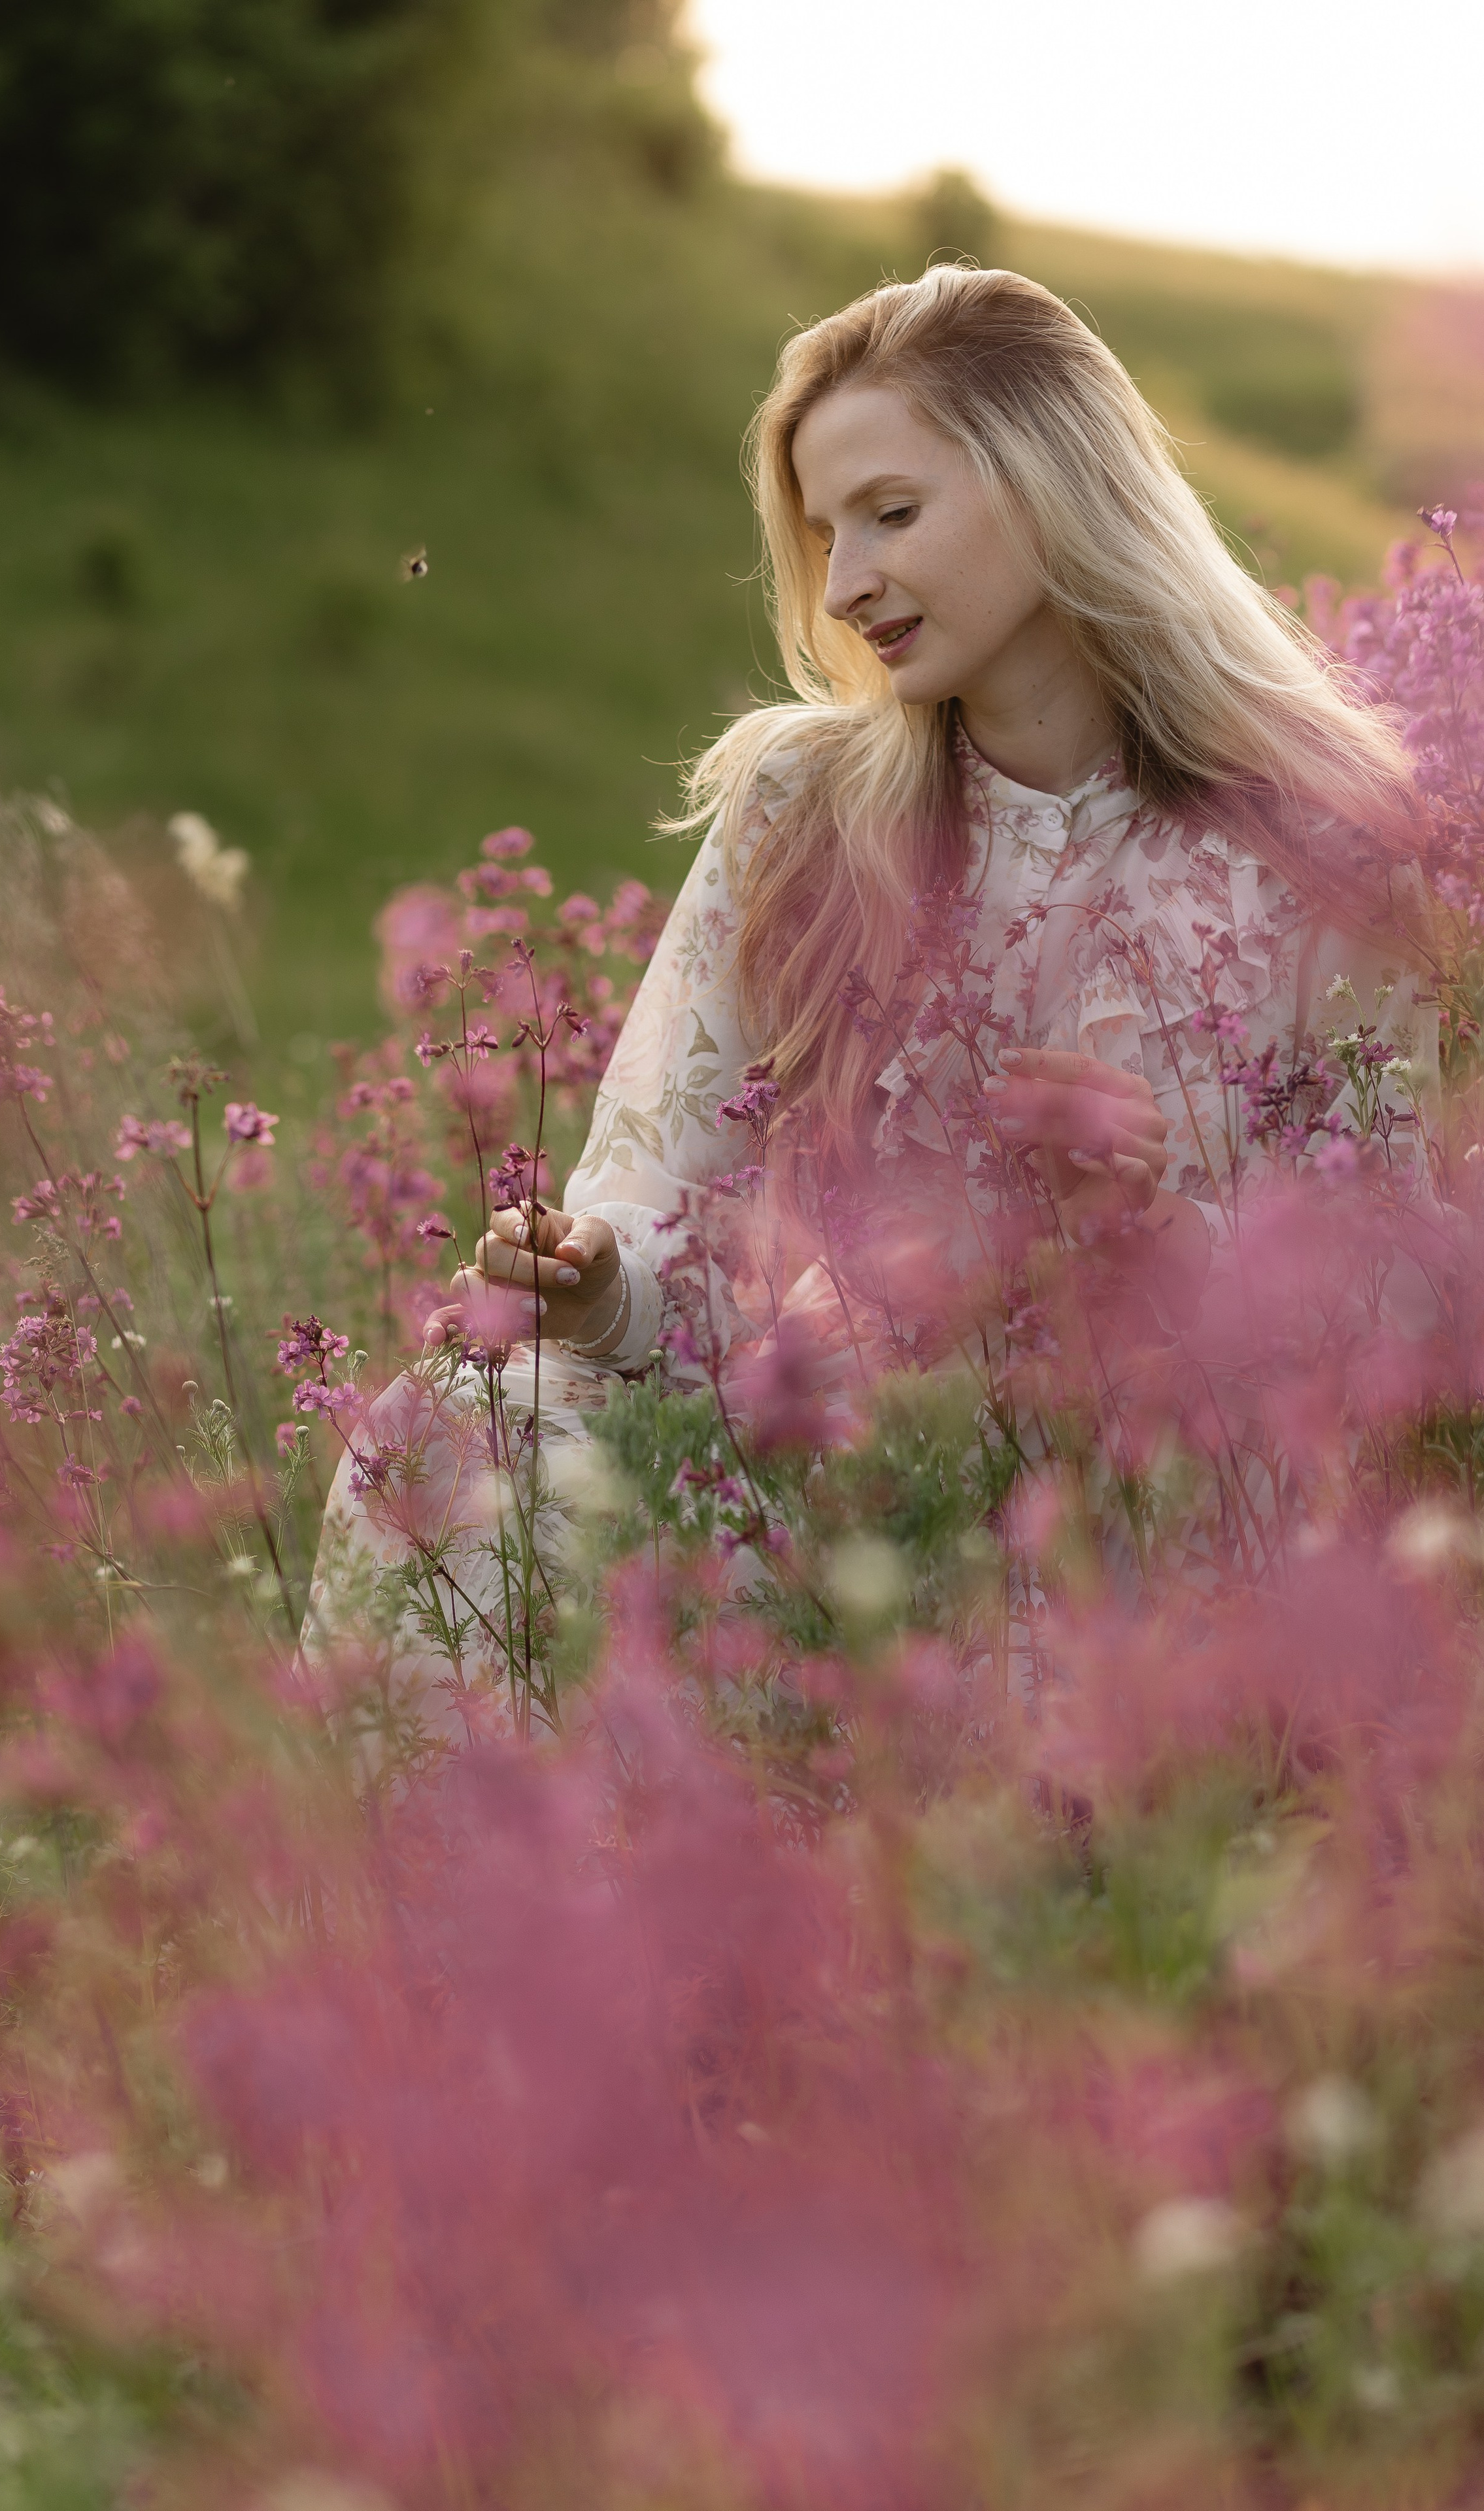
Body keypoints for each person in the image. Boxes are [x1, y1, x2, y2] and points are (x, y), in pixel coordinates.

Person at [306, 265, 1433, 1738]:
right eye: (824, 535)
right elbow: (660, 1200)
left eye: (890, 514)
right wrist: (594, 1283)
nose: (842, 587)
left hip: (1155, 1496)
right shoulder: (800, 808)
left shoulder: (1321, 843)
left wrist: (1153, 1236)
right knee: (455, 1439)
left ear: (1050, 478)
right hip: (833, 1461)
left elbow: (1402, 1291)